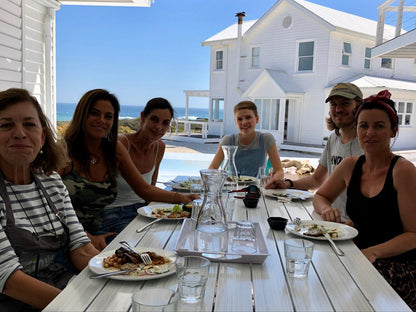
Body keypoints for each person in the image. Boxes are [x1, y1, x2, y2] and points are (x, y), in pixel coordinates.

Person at [313, 90, 416, 309]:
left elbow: (414, 235)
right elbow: (320, 195)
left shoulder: (403, 171)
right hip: (358, 255)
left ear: (393, 131)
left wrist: (373, 252)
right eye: (363, 126)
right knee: (315, 273)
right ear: (356, 128)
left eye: (379, 126)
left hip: (398, 263)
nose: (369, 133)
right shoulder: (351, 165)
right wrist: (326, 210)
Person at [59, 89, 198, 251]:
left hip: (130, 216)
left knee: (178, 240)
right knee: (149, 253)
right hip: (90, 228)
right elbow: (52, 205)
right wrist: (86, 237)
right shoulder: (62, 151)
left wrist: (182, 198)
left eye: (108, 116)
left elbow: (145, 189)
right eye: (94, 113)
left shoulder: (112, 148)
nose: (101, 120)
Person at [0, 88, 99, 311]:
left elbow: (81, 248)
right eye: (6, 125)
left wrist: (118, 274)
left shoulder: (51, 181)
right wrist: (82, 307)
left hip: (63, 291)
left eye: (29, 124)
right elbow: (9, 280)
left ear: (42, 137)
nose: (19, 133)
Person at [266, 82, 363, 222]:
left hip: (355, 225)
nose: (338, 109)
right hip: (330, 220)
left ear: (359, 106)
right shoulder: (334, 138)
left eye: (345, 103)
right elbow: (317, 179)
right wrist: (287, 184)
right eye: (334, 104)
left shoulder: (367, 143)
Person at [103, 97, 173, 234]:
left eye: (165, 123)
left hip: (143, 212)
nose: (159, 127)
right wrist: (178, 197)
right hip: (115, 214)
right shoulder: (121, 144)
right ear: (143, 117)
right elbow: (144, 189)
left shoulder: (160, 147)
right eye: (154, 119)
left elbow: (150, 190)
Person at [209, 100, 284, 180]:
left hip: (255, 189)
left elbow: (279, 171)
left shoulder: (266, 139)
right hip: (232, 188)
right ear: (235, 122)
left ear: (257, 119)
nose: (244, 122)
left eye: (248, 117)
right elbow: (213, 167)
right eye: (240, 119)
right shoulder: (228, 140)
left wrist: (274, 178)